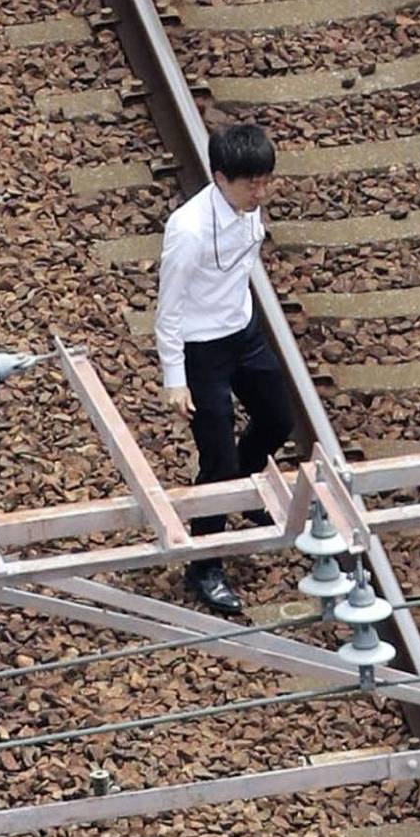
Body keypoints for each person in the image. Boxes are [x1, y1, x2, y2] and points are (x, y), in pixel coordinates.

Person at [155, 117, 293, 620]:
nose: (260, 191)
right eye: (250, 183)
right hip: (201, 348)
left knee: (278, 420)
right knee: (216, 462)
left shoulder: (250, 211)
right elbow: (167, 308)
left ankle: (244, 481)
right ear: (219, 178)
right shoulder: (188, 232)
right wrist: (175, 378)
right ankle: (204, 564)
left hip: (243, 331)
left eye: (265, 181)